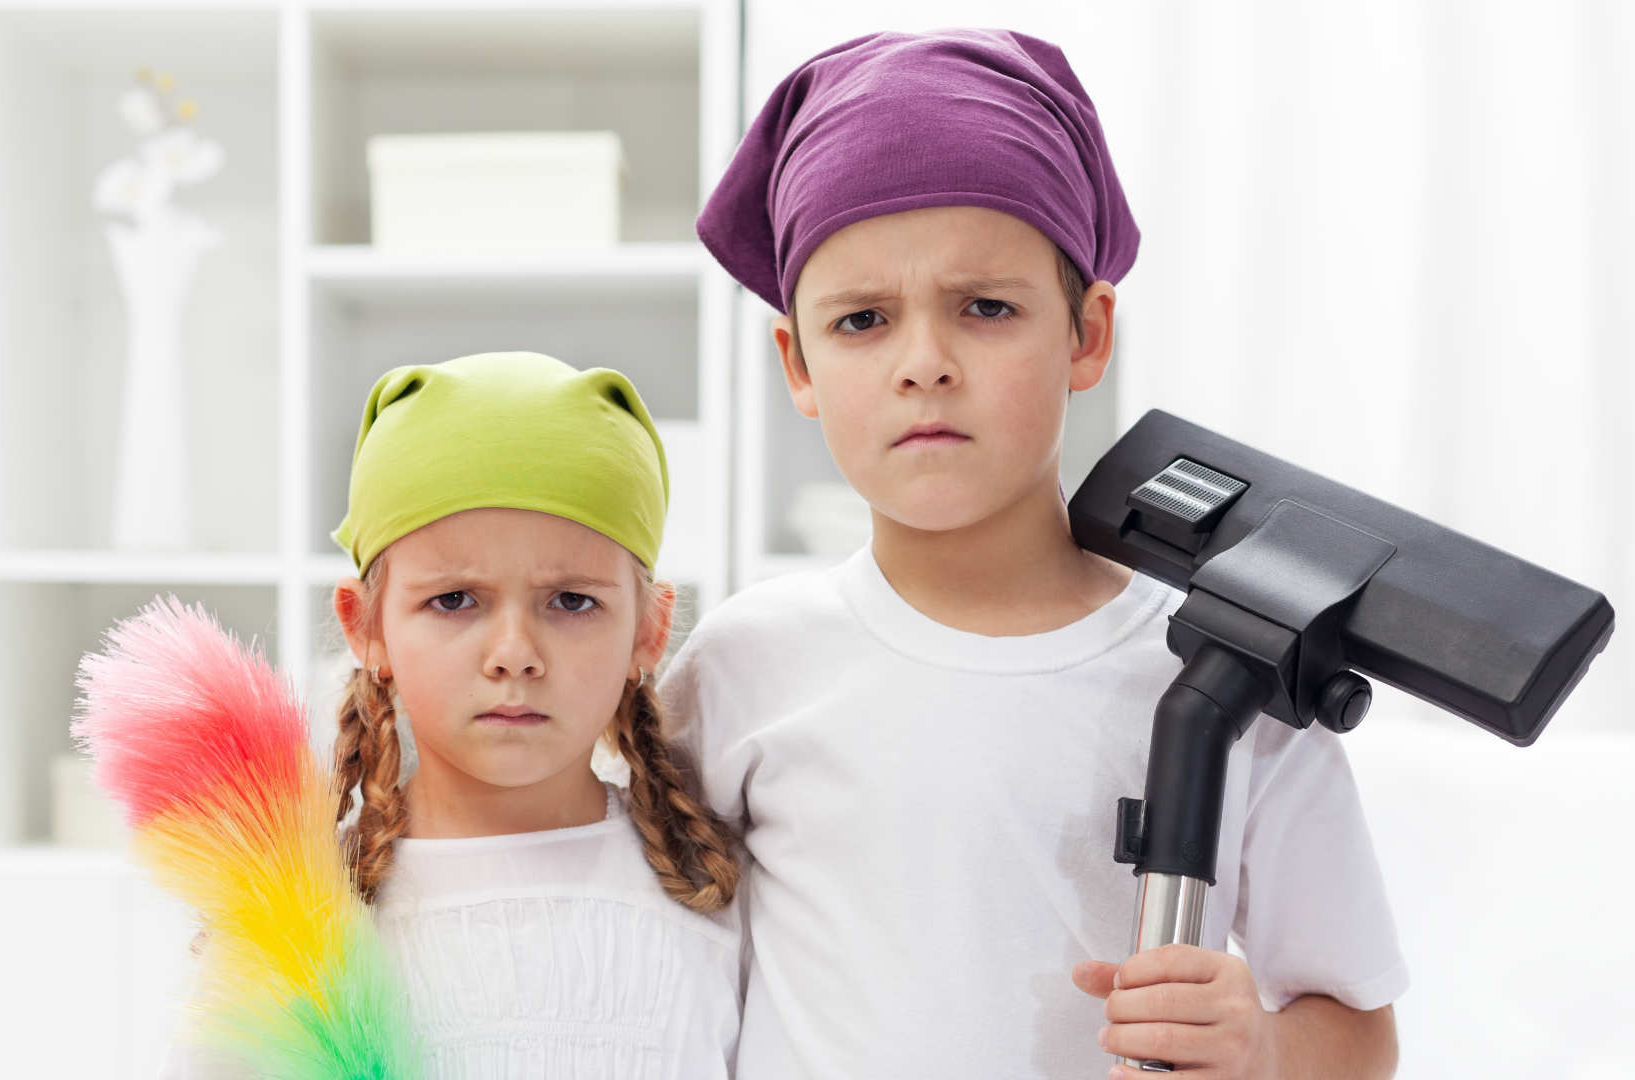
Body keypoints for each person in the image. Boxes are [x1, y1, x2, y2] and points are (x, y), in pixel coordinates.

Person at [664, 28, 1407, 1078]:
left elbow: (1361, 1032)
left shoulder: (1231, 668)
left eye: (987, 308)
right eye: (863, 319)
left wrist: (1265, 1049)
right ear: (799, 362)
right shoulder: (742, 665)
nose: (925, 363)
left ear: (1087, 335)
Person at [159, 350, 743, 1078]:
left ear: (648, 633)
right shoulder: (302, 931)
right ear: (366, 627)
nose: (514, 654)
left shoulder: (710, 901)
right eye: (454, 600)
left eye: (571, 601)